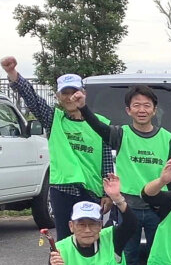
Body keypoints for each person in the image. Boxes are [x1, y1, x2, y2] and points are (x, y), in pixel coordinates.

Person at [78, 85, 171, 265]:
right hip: (127, 207)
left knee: (158, 257)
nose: (142, 110)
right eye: (136, 105)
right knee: (129, 257)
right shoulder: (120, 133)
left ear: (154, 109)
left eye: (147, 105)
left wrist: (168, 209)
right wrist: (83, 107)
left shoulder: (166, 137)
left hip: (156, 208)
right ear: (128, 110)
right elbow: (97, 127)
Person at [2, 57, 115, 240]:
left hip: (91, 191)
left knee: (91, 240)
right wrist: (13, 74)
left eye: (74, 92)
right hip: (62, 191)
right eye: (65, 93)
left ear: (83, 94)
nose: (70, 97)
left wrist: (107, 194)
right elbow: (32, 98)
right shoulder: (54, 119)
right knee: (63, 244)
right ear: (58, 96)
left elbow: (107, 161)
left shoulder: (100, 123)